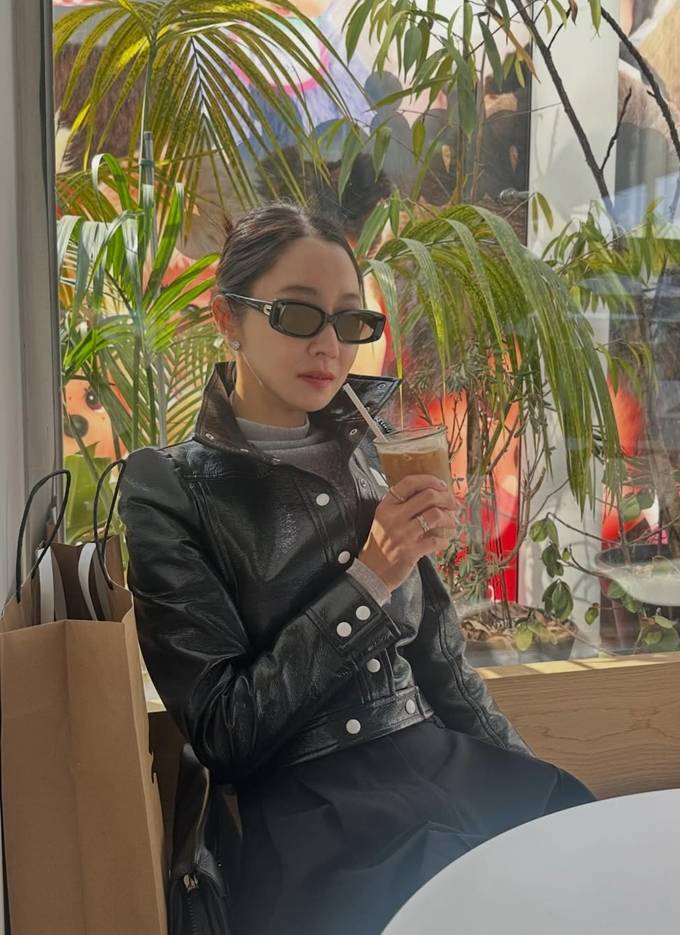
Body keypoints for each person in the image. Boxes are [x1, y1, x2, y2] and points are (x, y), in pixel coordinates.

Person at [119, 202, 593, 935]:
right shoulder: (171, 487)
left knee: (586, 860)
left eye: (349, 320)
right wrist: (372, 576)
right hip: (314, 814)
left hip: (439, 764)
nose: (329, 345)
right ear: (226, 317)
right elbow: (225, 732)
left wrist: (527, 784)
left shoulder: (376, 451)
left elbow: (442, 664)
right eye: (297, 314)